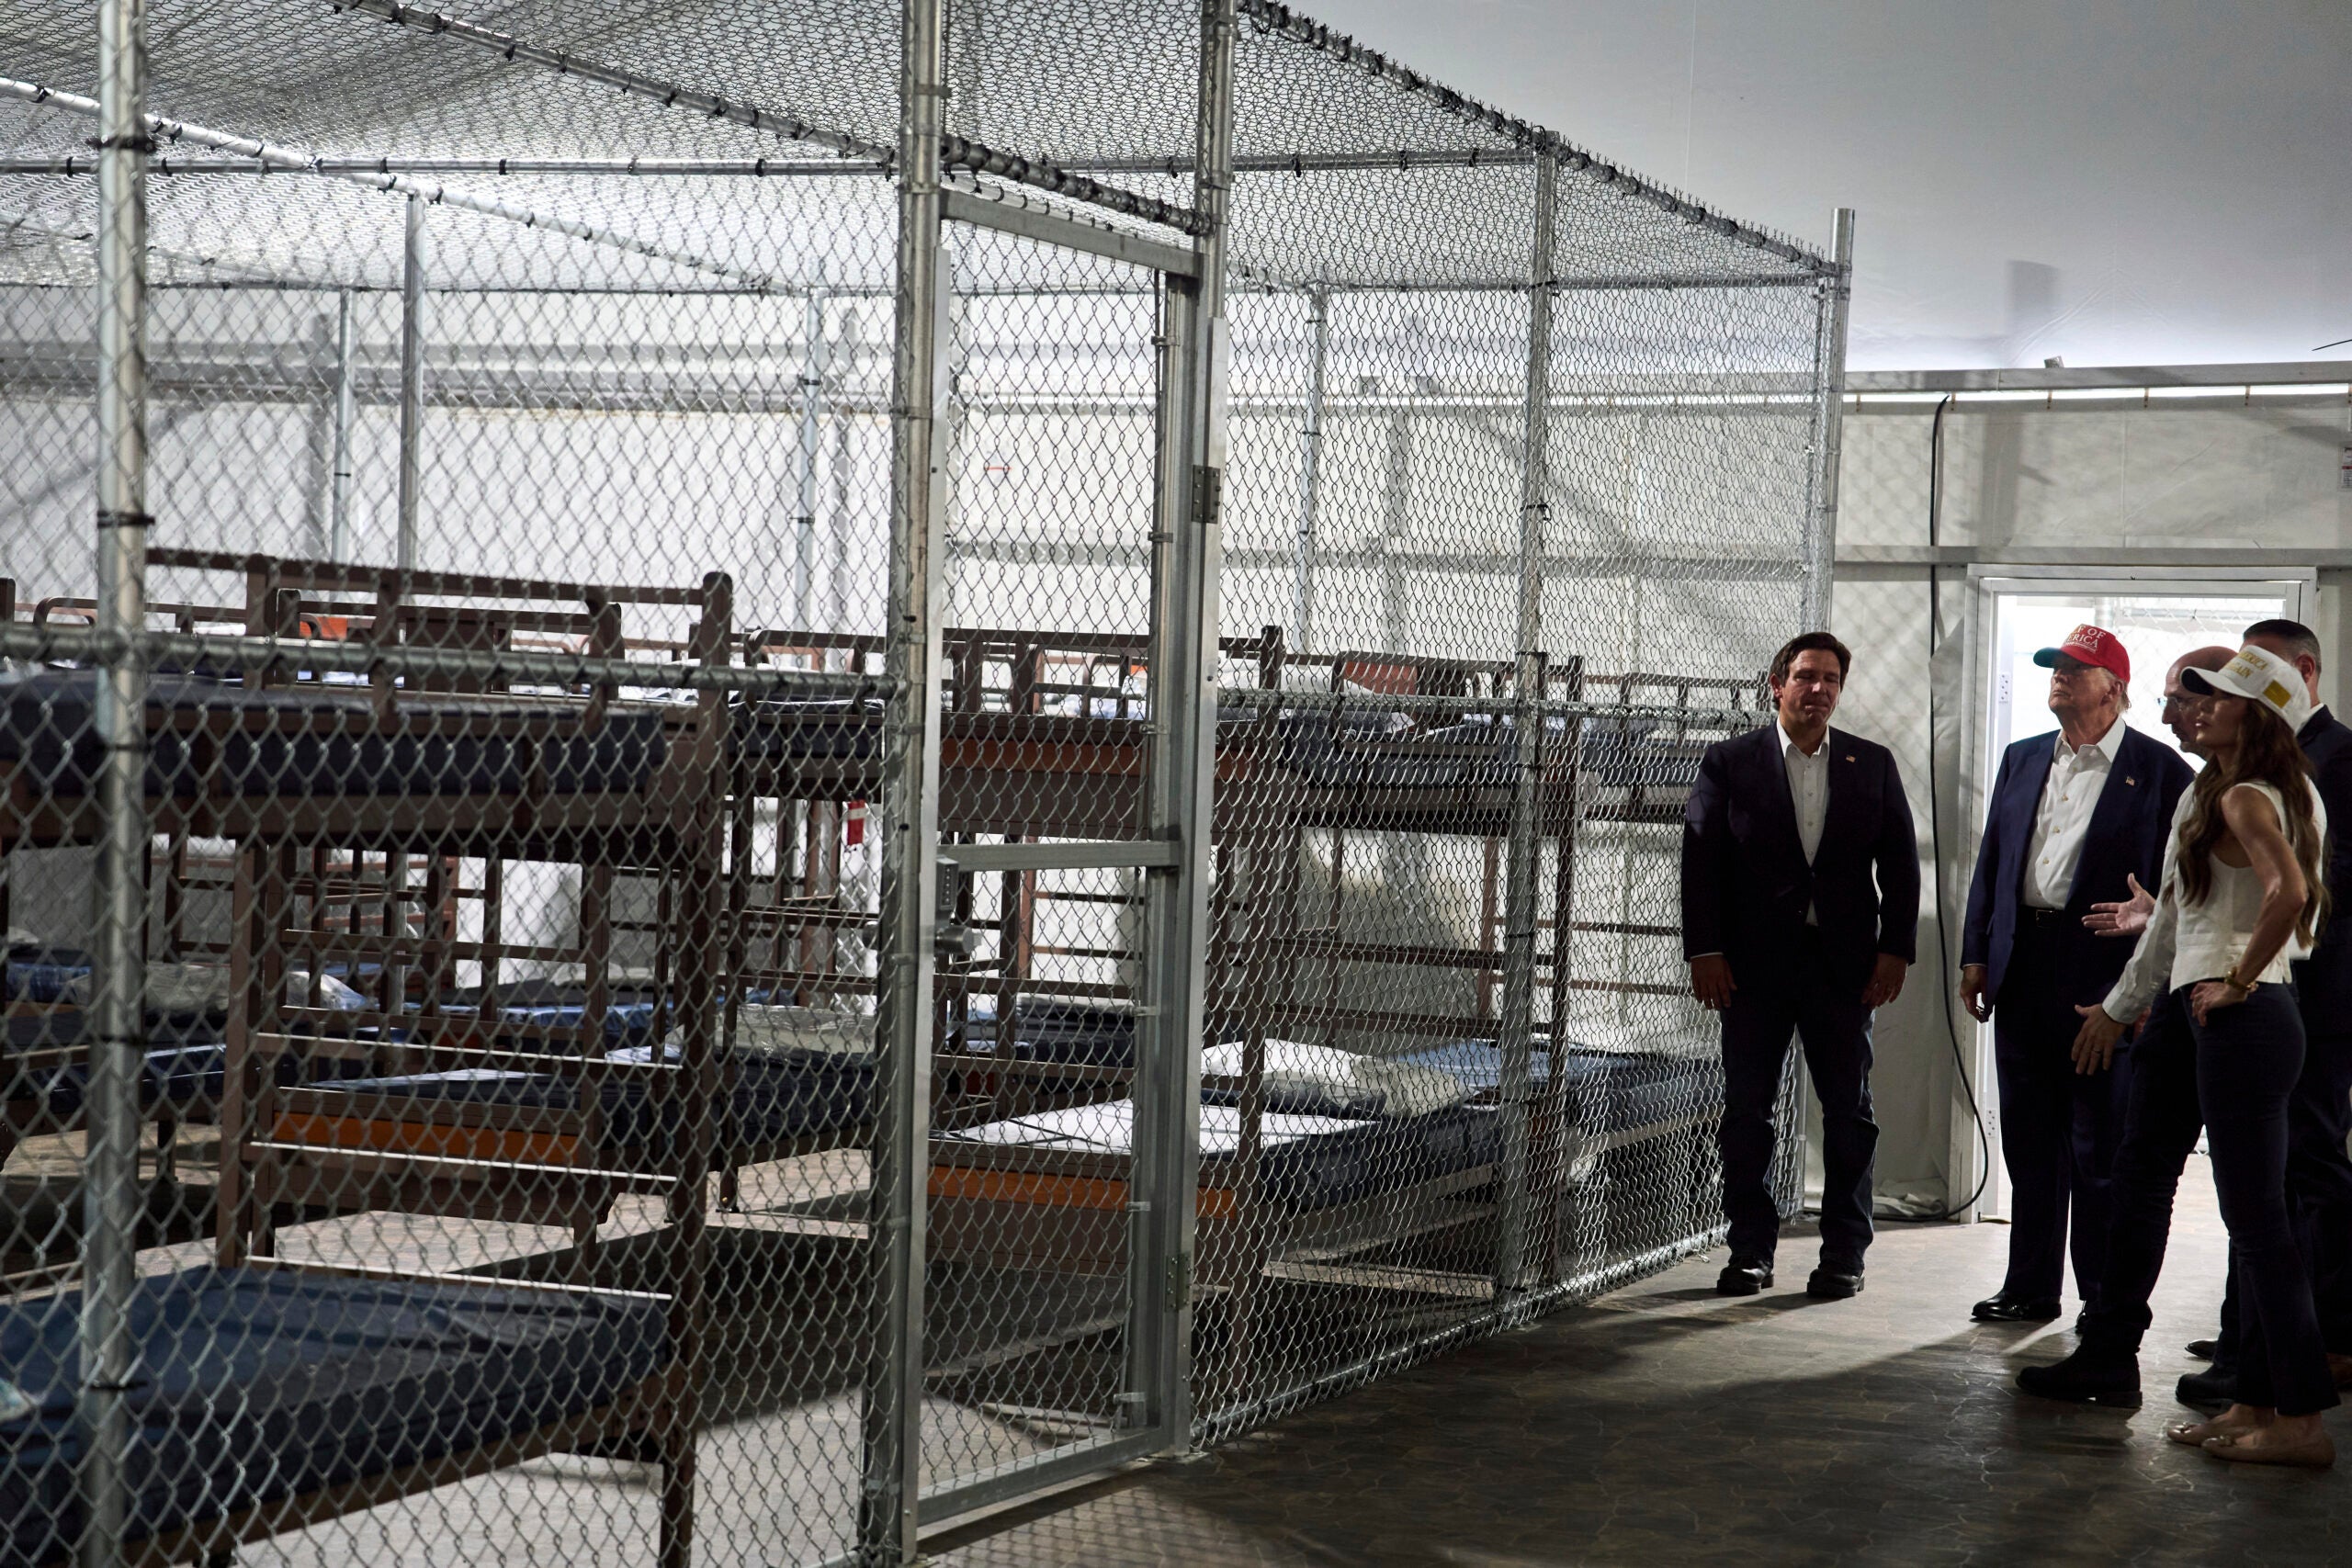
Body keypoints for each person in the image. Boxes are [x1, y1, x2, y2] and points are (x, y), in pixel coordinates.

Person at [2068, 644, 2335, 1465]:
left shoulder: (2247, 795)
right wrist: (2143, 996)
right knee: (2247, 1218)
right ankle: (2256, 1400)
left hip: (2238, 1013)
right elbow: (2188, 916)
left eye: (2207, 695)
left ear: (2253, 710)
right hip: (2214, 1005)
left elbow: (2292, 895)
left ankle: (2300, 1422)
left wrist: (2238, 979)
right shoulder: (2234, 790)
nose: (2187, 707)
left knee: (2259, 1225)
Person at [2013, 646, 2232, 1405]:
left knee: (2216, 1191)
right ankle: (2097, 1334)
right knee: (2117, 1169)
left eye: (2182, 699)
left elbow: (2286, 900)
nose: (2168, 713)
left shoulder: (2222, 787)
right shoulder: (2211, 789)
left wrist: (2133, 992)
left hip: (2197, 1002)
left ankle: (2268, 1376)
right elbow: (2175, 912)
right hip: (2135, 993)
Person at [1959, 626, 2193, 1325]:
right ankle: (2030, 1286)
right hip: (2022, 964)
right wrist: (1977, 951)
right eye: (2055, 665)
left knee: (2100, 1147)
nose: (2059, 675)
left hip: (2104, 979)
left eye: (2076, 668)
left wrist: (2146, 990)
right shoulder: (2023, 757)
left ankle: (2101, 1298)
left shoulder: (2161, 771)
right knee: (2029, 1141)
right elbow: (1994, 861)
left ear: (2113, 689)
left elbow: (2176, 895)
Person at [1682, 631, 1918, 1301]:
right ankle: (1749, 1251)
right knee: (1747, 1114)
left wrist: (1894, 948)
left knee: (1850, 1113)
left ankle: (1844, 1254)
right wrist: (1705, 950)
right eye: (1807, 676)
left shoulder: (1871, 764)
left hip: (1842, 970)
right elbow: (1700, 863)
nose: (1819, 689)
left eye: (1832, 679)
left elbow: (1900, 864)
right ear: (1777, 683)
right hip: (1751, 971)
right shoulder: (1730, 762)